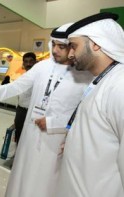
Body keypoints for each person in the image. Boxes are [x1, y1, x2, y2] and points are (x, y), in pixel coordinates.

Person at [0, 23, 92, 197]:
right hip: (31, 134)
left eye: (62, 46)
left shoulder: (85, 75)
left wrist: (54, 123)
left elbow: (85, 112)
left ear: (73, 48)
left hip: (57, 140)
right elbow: (16, 87)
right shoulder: (42, 67)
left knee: (46, 182)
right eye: (53, 45)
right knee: (24, 174)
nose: (55, 51)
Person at [57, 12, 124, 197]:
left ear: (96, 43)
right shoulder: (101, 80)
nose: (70, 54)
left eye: (74, 46)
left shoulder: (120, 85)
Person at [14, 52, 36, 144]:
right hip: (20, 111)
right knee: (18, 134)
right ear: (23, 63)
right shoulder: (22, 77)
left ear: (35, 62)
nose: (28, 64)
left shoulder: (39, 79)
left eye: (31, 61)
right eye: (26, 61)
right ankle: (18, 156)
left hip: (31, 112)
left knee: (28, 138)